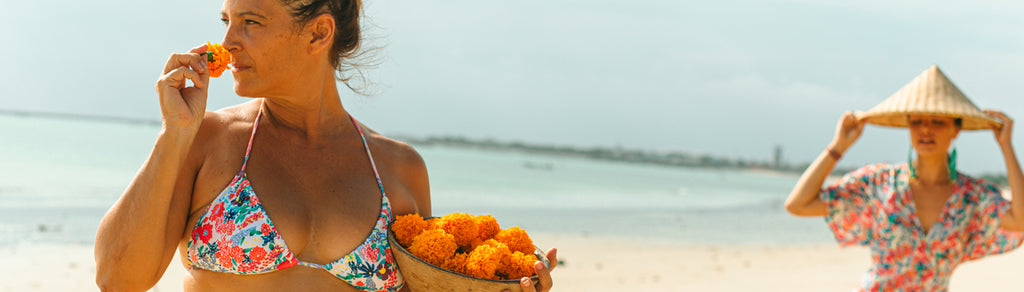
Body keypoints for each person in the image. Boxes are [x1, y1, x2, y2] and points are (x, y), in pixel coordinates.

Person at [93, 0, 556, 291]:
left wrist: (504, 286)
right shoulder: (206, 140)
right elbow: (117, 280)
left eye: (250, 22)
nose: (227, 43)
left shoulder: (398, 169)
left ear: (318, 33)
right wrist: (174, 132)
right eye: (226, 21)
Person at [784, 65, 1024, 291]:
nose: (926, 129)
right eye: (917, 121)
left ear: (956, 129)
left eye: (937, 122)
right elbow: (798, 204)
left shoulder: (972, 196)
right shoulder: (877, 183)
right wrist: (838, 146)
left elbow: (1019, 220)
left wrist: (1006, 147)